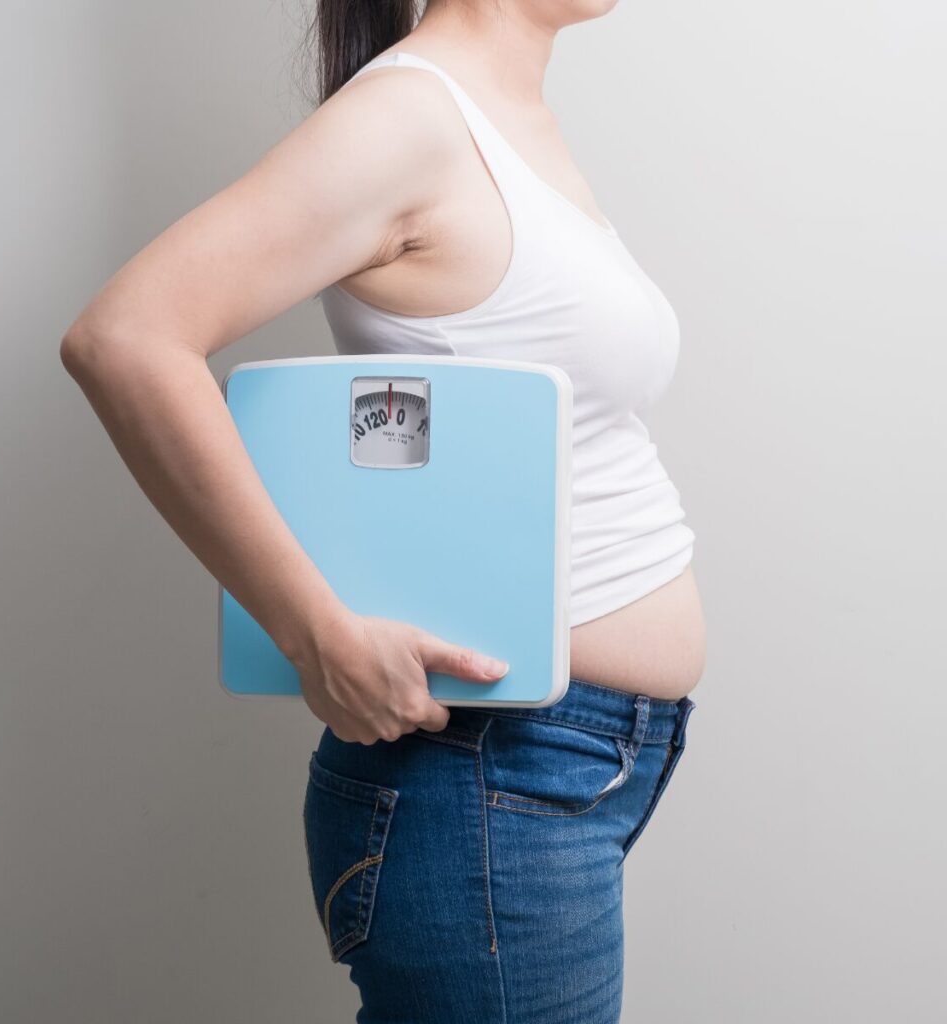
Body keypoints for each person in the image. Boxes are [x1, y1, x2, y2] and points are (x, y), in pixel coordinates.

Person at [61, 2, 706, 1020]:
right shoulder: (409, 118)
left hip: (559, 769)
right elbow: (126, 338)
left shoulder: (497, 114)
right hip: (492, 772)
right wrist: (313, 631)